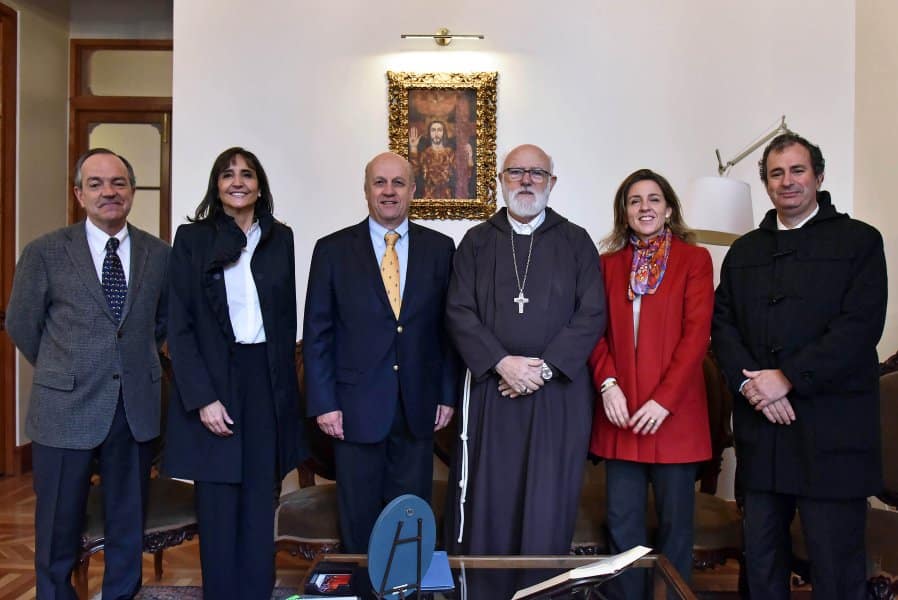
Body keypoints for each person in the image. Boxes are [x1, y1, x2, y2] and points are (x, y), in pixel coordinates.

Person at [712, 132, 887, 600]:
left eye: (797, 170)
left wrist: (787, 378)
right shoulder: (744, 251)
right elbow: (723, 327)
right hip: (763, 434)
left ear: (819, 176)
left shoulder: (860, 241)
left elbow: (859, 328)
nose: (787, 181)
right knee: (761, 562)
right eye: (776, 173)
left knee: (835, 566)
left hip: (832, 434)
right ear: (766, 184)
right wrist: (753, 388)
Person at [5, 148, 170, 599]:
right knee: (58, 525)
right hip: (64, 408)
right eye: (96, 184)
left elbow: (161, 322)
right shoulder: (45, 252)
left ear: (132, 191)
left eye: (118, 183)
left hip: (132, 408)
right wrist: (62, 366)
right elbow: (21, 323)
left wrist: (129, 362)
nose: (108, 192)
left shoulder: (159, 254)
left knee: (127, 522)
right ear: (79, 194)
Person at [444, 143, 606, 556]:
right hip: (491, 394)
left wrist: (543, 369)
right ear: (501, 181)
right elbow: (458, 311)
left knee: (547, 504)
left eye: (537, 173)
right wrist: (502, 363)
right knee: (490, 501)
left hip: (557, 396)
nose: (527, 181)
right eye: (516, 172)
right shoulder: (476, 242)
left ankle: (539, 585)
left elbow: (592, 313)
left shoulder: (576, 241)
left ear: (552, 182)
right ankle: (485, 587)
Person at [163, 147, 307, 599]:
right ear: (217, 186)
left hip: (266, 378)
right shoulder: (193, 239)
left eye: (247, 174)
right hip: (213, 379)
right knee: (219, 504)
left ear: (259, 186)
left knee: (261, 499)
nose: (238, 181)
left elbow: (284, 319)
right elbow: (179, 326)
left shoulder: (280, 237)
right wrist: (202, 398)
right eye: (227, 175)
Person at [303, 151, 458, 553]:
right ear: (366, 190)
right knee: (359, 520)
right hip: (353, 410)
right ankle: (363, 587)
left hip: (418, 407)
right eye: (380, 182)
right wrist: (324, 403)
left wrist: (446, 394)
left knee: (410, 517)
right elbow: (317, 333)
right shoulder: (332, 250)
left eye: (398, 183)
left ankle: (404, 586)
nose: (389, 191)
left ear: (413, 190)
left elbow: (449, 330)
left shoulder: (440, 249)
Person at [589, 169, 713, 598]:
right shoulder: (606, 266)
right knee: (622, 529)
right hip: (620, 416)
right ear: (624, 213)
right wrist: (607, 384)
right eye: (635, 200)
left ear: (669, 209)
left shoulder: (695, 260)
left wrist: (665, 400)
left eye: (654, 199)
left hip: (674, 418)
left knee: (676, 531)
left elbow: (696, 336)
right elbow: (593, 333)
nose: (645, 207)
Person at [409, 120, 473, 199]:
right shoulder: (424, 155)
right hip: (428, 197)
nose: (436, 134)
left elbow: (464, 175)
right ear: (429, 133)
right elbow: (414, 174)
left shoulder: (451, 154)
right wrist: (413, 147)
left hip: (447, 197)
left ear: (443, 133)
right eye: (433, 130)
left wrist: (469, 157)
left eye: (439, 130)